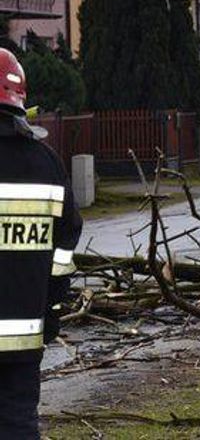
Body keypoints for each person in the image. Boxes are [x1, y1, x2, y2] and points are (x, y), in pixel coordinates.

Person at [0, 48, 83, 439]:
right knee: (18, 424)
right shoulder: (47, 163)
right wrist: (52, 306)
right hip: (25, 335)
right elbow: (66, 242)